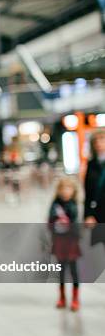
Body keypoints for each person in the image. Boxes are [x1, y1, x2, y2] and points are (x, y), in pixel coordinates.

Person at [48, 177, 81, 311]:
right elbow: (49, 222)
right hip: (59, 242)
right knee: (61, 270)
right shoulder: (55, 205)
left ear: (73, 191)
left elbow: (76, 224)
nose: (65, 191)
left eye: (69, 188)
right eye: (63, 188)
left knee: (73, 271)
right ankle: (62, 297)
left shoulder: (73, 205)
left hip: (71, 242)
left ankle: (75, 298)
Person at [84, 129, 105, 245]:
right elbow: (88, 193)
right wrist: (88, 215)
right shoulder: (91, 164)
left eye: (102, 139)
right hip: (100, 214)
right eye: (95, 141)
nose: (99, 143)